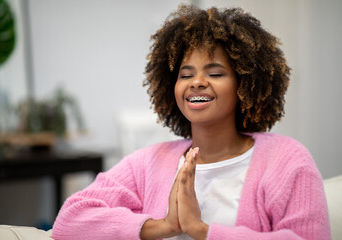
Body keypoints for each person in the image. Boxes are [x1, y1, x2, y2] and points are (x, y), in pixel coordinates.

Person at [52, 5, 331, 240]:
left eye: (215, 73)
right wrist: (162, 226)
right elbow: (69, 221)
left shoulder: (287, 160)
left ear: (244, 85)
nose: (197, 82)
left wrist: (202, 230)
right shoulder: (148, 163)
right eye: (185, 75)